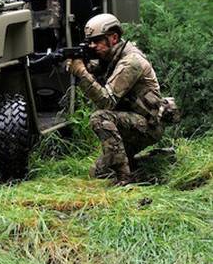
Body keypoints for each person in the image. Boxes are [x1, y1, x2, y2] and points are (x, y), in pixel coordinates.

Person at [65, 13, 164, 185]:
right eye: (90, 41)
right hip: (132, 122)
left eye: (97, 41)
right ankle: (156, 159)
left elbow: (106, 101)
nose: (92, 46)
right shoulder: (113, 57)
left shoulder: (131, 62)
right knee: (99, 172)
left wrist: (81, 72)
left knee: (100, 118)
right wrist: (84, 67)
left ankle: (125, 180)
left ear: (114, 37)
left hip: (148, 125)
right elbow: (102, 70)